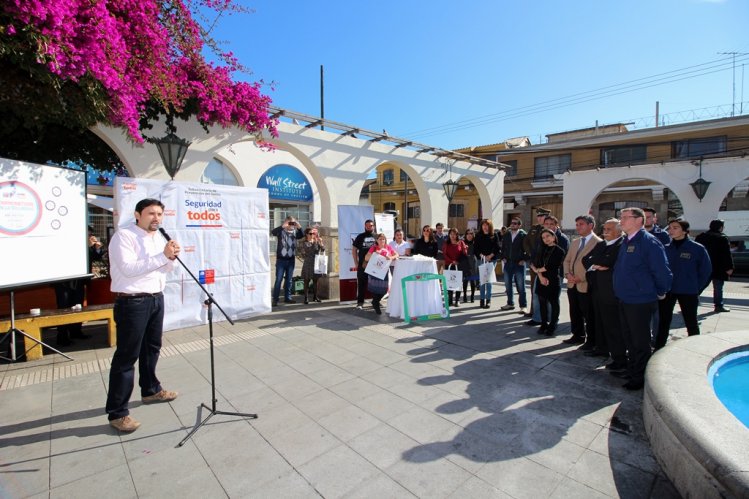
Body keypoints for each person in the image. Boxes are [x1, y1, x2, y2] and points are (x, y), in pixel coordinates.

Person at [105, 198, 180, 432]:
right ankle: (118, 413)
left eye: (159, 214)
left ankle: (151, 390)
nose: (156, 218)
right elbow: (129, 269)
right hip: (133, 302)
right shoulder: (124, 237)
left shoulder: (159, 237)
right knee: (127, 357)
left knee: (152, 348)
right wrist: (162, 257)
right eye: (150, 213)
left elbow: (165, 269)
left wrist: (170, 257)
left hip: (156, 298)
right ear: (138, 215)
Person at [613, 207, 672, 391]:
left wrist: (661, 291)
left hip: (640, 300)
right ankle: (632, 369)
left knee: (640, 341)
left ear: (639, 220)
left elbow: (662, 272)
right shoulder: (626, 240)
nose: (620, 221)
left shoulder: (649, 242)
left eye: (625, 217)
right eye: (620, 217)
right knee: (629, 338)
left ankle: (639, 377)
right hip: (625, 298)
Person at [655, 219, 712, 350]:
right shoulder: (666, 248)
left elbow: (706, 271)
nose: (671, 231)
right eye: (670, 228)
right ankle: (659, 347)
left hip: (688, 291)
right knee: (664, 320)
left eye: (675, 228)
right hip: (668, 290)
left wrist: (697, 288)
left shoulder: (697, 248)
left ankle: (695, 346)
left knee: (690, 320)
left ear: (685, 231)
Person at [52, 226, 105, 346]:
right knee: (64, 308)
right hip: (64, 281)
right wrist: (86, 246)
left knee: (78, 305)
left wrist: (96, 248)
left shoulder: (87, 245)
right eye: (87, 234)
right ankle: (62, 336)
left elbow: (95, 257)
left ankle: (76, 331)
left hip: (79, 280)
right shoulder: (66, 241)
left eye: (90, 234)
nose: (89, 237)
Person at [582, 219, 625, 365]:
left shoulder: (622, 245)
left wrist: (598, 263)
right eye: (604, 229)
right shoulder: (601, 244)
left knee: (612, 325)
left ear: (619, 231)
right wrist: (596, 265)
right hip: (597, 288)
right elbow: (586, 259)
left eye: (609, 229)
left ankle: (618, 356)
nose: (605, 232)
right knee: (598, 320)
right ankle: (601, 348)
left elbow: (609, 262)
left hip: (611, 292)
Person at [562, 215, 601, 347]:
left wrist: (581, 277)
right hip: (572, 283)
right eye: (577, 224)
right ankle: (577, 335)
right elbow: (567, 260)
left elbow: (596, 264)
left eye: (581, 224)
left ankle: (592, 340)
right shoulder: (575, 242)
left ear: (591, 225)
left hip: (586, 284)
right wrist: (567, 274)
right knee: (574, 311)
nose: (578, 227)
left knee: (589, 313)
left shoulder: (599, 243)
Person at [527, 214, 568, 326]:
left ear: (556, 225)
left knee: (552, 299)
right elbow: (536, 256)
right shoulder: (542, 237)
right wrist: (538, 273)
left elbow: (559, 260)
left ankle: (552, 321)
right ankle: (538, 319)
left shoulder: (562, 239)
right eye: (546, 224)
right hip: (540, 273)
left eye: (551, 224)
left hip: (554, 275)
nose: (549, 226)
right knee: (538, 297)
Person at [530, 229, 565, 336]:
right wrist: (540, 276)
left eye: (548, 236)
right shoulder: (542, 248)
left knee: (554, 303)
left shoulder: (559, 250)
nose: (546, 239)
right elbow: (534, 263)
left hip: (553, 279)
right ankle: (543, 324)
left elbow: (551, 266)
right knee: (542, 302)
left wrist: (537, 270)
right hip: (541, 278)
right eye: (543, 237)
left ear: (553, 237)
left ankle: (552, 325)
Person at [695, 219, 735, 313]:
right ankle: (718, 305)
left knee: (701, 285)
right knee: (718, 287)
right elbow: (726, 254)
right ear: (720, 227)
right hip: (718, 267)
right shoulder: (722, 238)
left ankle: (692, 301)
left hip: (704, 265)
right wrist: (730, 267)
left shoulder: (701, 236)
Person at [271, 216, 304, 306]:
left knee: (289, 280)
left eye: (293, 223)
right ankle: (275, 299)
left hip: (291, 260)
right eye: (290, 223)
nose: (292, 225)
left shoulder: (294, 232)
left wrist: (299, 226)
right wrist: (283, 226)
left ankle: (288, 298)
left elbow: (302, 235)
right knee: (278, 280)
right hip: (281, 260)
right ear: (286, 222)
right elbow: (273, 232)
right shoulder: (281, 231)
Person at [524, 209, 550, 319]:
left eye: (542, 216)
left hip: (544, 264)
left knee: (545, 289)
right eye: (538, 216)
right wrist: (531, 254)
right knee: (533, 289)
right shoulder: (534, 228)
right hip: (534, 264)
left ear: (547, 217)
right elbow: (526, 242)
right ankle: (533, 311)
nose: (539, 218)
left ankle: (546, 314)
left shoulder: (549, 229)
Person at [363, 233, 398, 315]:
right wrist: (375, 254)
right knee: (375, 289)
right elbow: (366, 258)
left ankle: (375, 302)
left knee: (384, 290)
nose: (382, 240)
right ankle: (376, 304)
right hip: (374, 271)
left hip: (384, 271)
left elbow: (396, 254)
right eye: (380, 239)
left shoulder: (388, 247)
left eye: (383, 239)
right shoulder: (374, 247)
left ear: (385, 240)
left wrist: (391, 257)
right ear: (377, 240)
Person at [499, 218, 528, 312]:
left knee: (521, 286)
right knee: (508, 285)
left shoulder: (523, 235)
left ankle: (523, 306)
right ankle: (510, 303)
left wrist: (524, 259)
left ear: (519, 225)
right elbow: (503, 248)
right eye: (511, 223)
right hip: (508, 263)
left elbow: (528, 249)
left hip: (519, 264)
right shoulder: (507, 235)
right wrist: (502, 257)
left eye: (515, 223)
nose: (512, 225)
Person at [474, 219, 500, 309]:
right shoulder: (478, 235)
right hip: (481, 259)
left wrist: (490, 256)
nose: (485, 227)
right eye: (483, 225)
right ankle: (481, 300)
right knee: (482, 281)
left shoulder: (494, 235)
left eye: (487, 225)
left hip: (492, 260)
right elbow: (475, 249)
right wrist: (482, 256)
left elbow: (497, 247)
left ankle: (488, 300)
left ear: (490, 226)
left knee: (489, 281)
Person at [351, 219, 377, 309]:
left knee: (375, 284)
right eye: (368, 226)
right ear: (365, 226)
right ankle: (360, 303)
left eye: (372, 225)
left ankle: (376, 302)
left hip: (375, 265)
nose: (370, 227)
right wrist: (356, 263)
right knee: (361, 284)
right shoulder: (360, 236)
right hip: (363, 265)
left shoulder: (377, 236)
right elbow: (354, 250)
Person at [298, 227, 325, 304]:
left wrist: (321, 243)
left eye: (313, 233)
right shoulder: (303, 243)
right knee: (306, 281)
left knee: (316, 281)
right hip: (307, 263)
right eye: (310, 233)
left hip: (316, 263)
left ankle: (315, 297)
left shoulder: (316, 242)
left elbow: (323, 250)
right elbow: (302, 254)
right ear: (306, 234)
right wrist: (308, 247)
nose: (312, 235)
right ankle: (306, 298)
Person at [443, 227, 468, 307]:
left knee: (458, 283)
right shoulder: (446, 243)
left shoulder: (461, 243)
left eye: (454, 234)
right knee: (449, 283)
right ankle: (450, 300)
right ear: (449, 235)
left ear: (457, 235)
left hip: (458, 266)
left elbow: (464, 254)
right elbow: (444, 254)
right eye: (451, 234)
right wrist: (451, 261)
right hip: (449, 265)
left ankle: (457, 300)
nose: (453, 236)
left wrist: (465, 249)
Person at [461, 228, 479, 303]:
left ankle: (472, 296)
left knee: (473, 281)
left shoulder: (475, 243)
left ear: (473, 235)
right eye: (468, 233)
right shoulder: (462, 242)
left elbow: (478, 252)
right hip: (465, 263)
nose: (469, 235)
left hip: (473, 262)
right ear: (465, 235)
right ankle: (464, 295)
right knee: (465, 280)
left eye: (471, 234)